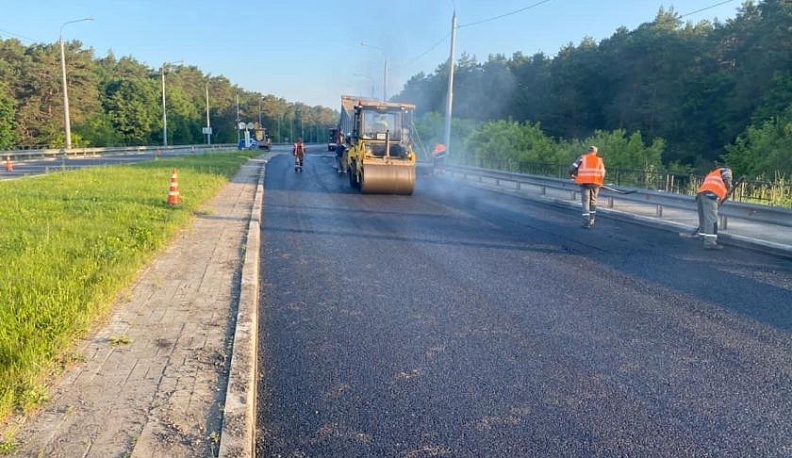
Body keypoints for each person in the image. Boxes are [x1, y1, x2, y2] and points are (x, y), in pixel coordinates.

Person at [694, 165, 733, 250]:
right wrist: (729, 189)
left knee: (704, 218)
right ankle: (710, 242)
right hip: (710, 195)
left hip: (701, 195)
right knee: (712, 219)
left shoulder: (712, 174)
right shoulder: (725, 170)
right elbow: (726, 181)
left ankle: (703, 236)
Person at [568, 145, 606, 229]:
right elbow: (603, 172)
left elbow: (572, 168)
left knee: (585, 202)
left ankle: (586, 222)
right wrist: (600, 182)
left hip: (584, 183)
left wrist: (572, 175)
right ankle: (592, 221)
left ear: (588, 151)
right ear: (596, 152)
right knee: (593, 201)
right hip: (595, 183)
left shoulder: (582, 158)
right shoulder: (599, 160)